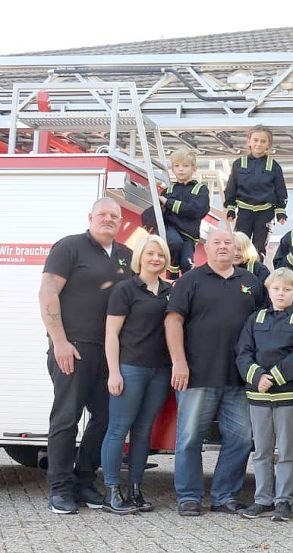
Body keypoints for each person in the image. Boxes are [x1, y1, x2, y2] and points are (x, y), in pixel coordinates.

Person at [39, 197, 133, 515]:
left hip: (110, 353)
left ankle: (83, 480)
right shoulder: (69, 247)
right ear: (90, 217)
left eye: (114, 216)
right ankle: (60, 489)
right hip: (74, 348)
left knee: (106, 419)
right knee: (66, 419)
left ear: (121, 222)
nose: (108, 219)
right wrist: (60, 342)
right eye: (103, 214)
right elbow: (48, 292)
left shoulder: (126, 256)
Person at [165, 228, 264, 517]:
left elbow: (261, 325)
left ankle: (224, 496)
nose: (223, 247)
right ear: (205, 248)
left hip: (239, 378)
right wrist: (178, 362)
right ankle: (188, 496)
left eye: (228, 243)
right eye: (217, 242)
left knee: (242, 439)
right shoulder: (190, 280)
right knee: (189, 438)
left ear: (237, 249)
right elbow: (173, 322)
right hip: (196, 375)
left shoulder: (251, 282)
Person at [101, 235, 173, 515]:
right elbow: (111, 334)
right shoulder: (125, 289)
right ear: (140, 256)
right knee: (118, 429)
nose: (155, 259)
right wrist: (114, 372)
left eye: (160, 255)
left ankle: (135, 490)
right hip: (130, 368)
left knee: (143, 432)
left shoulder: (170, 291)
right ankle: (111, 492)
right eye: (150, 254)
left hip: (160, 371)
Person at [236, 268, 293, 522]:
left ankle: (283, 502)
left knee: (287, 451)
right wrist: (257, 377)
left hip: (288, 393)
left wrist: (275, 377)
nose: (281, 293)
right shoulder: (255, 319)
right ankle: (262, 499)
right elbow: (243, 352)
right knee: (262, 451)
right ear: (268, 291)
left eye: (287, 289)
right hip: (259, 395)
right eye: (276, 289)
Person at [223, 125, 288, 260]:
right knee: (239, 247)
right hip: (244, 213)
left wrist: (281, 212)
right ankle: (239, 277)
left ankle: (256, 278)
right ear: (249, 141)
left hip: (265, 215)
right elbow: (231, 188)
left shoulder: (274, 166)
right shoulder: (238, 164)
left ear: (268, 145)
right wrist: (230, 209)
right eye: (256, 140)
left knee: (259, 250)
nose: (259, 144)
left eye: (263, 141)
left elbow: (280, 191)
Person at [160, 147, 209, 278]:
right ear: (172, 169)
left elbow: (197, 210)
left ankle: (191, 290)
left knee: (187, 264)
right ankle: (171, 285)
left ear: (194, 168)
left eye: (185, 165)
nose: (180, 169)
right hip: (171, 231)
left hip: (189, 236)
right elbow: (160, 214)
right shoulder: (168, 191)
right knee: (174, 244)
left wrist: (168, 203)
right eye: (177, 166)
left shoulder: (201, 190)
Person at [233, 231, 270, 307]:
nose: (236, 253)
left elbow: (267, 299)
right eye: (233, 249)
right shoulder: (220, 269)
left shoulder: (259, 270)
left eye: (240, 250)